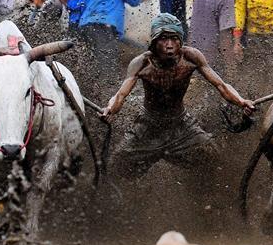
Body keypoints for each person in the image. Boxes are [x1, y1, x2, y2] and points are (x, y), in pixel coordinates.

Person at [102, 13, 254, 178]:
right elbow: (120, 95)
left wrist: (241, 101)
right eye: (163, 39)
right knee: (114, 168)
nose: (169, 45)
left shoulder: (191, 57)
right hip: (148, 127)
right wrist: (110, 109)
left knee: (214, 160)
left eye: (174, 38)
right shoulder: (142, 63)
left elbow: (221, 85)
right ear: (154, 42)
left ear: (181, 40)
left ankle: (200, 194)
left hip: (181, 124)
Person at [78, 0, 158, 98]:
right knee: (108, 72)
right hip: (104, 26)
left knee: (94, 69)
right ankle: (109, 105)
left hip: (85, 26)